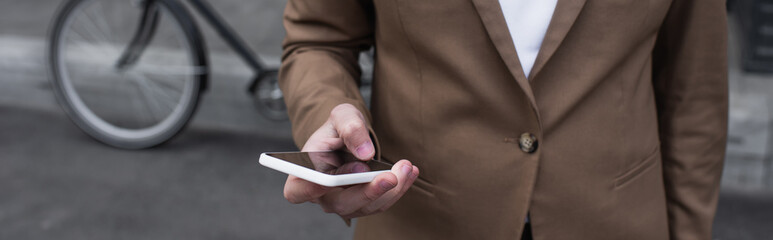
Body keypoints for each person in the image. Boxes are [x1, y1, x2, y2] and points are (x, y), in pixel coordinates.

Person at [277, 0, 728, 239]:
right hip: (424, 222)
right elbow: (319, 38)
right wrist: (331, 112)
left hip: (612, 219)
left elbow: (695, 89)